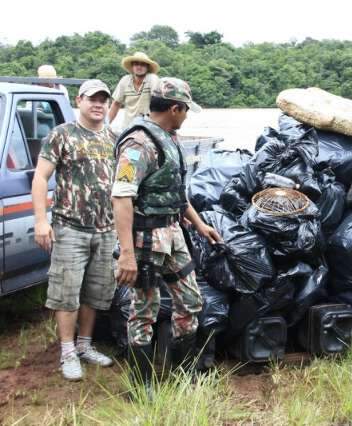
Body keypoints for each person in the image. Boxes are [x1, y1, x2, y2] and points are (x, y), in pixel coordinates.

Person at [111, 77, 222, 392]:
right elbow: (121, 197)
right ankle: (142, 385)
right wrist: (128, 254)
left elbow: (175, 192)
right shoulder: (138, 144)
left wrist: (199, 224)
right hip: (146, 240)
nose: (186, 115)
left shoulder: (169, 138)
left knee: (190, 300)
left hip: (173, 233)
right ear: (175, 108)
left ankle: (185, 376)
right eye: (185, 110)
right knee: (143, 310)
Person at [32, 79, 116, 381]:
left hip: (106, 230)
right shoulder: (61, 135)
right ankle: (67, 351)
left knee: (96, 291)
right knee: (66, 293)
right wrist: (41, 220)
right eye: (92, 99)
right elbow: (41, 177)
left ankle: (84, 346)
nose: (98, 104)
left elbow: (125, 182)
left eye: (103, 100)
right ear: (79, 100)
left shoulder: (113, 138)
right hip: (70, 228)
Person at [107, 52, 160, 128]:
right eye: (136, 64)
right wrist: (106, 125)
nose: (139, 67)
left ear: (147, 67)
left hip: (149, 127)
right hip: (128, 127)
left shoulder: (152, 79)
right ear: (132, 66)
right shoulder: (125, 80)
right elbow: (116, 104)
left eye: (142, 64)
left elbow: (158, 100)